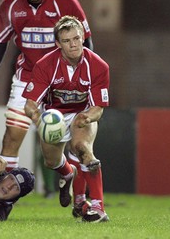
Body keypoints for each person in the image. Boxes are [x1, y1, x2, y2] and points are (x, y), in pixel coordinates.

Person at [0, 0, 93, 173]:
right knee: (11, 138)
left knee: (71, 141)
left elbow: (86, 42)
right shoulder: (11, 5)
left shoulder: (66, 2)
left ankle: (76, 185)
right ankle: (5, 201)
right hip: (27, 79)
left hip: (62, 81)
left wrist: (85, 78)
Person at [23, 16, 110, 223]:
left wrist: (87, 117)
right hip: (54, 116)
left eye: (77, 38)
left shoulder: (99, 66)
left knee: (83, 150)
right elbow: (30, 104)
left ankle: (97, 208)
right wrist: (39, 120)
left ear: (83, 38)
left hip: (82, 114)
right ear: (58, 44)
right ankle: (67, 173)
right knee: (51, 161)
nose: (73, 44)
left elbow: (99, 108)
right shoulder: (45, 65)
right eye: (67, 40)